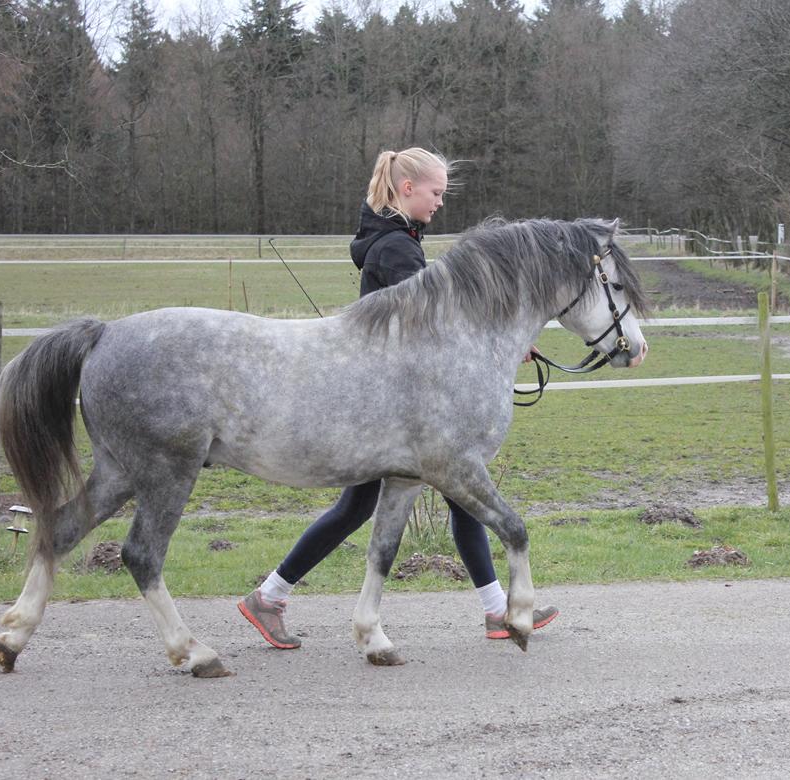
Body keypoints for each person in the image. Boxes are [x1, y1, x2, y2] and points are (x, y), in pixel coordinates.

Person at [238, 147, 558, 649]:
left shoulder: (394, 239)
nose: (440, 203)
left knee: (442, 502)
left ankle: (496, 609)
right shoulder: (397, 249)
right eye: (435, 193)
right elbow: (433, 328)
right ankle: (270, 596)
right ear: (407, 189)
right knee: (373, 507)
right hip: (391, 406)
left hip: (391, 401)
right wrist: (502, 338)